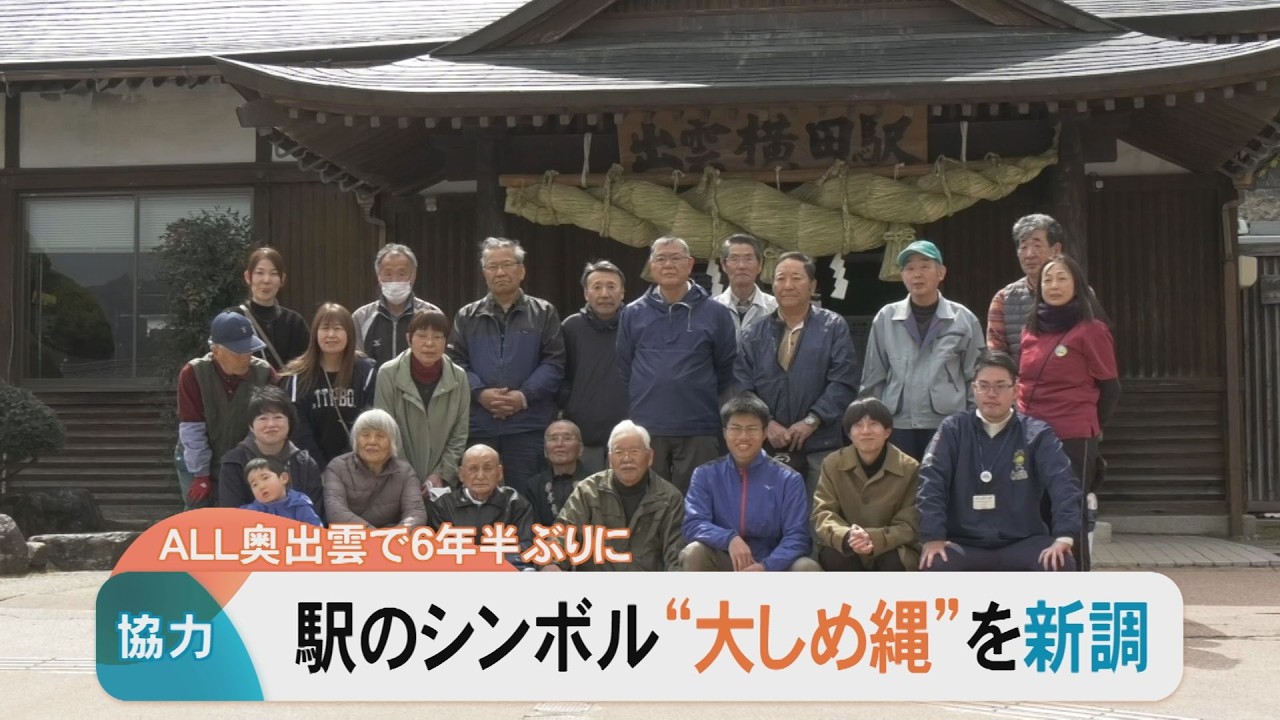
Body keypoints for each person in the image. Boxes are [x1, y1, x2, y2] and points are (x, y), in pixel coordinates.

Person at [917, 351, 1081, 572]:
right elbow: (931, 481)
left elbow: (1063, 482)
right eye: (983, 385)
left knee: (1060, 562)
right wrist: (932, 536)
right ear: (974, 388)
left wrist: (1064, 536)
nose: (991, 393)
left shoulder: (1036, 433)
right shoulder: (953, 430)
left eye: (1000, 386)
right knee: (934, 563)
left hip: (1023, 541)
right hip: (965, 542)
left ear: (1015, 390)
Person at [1018, 253, 1119, 571]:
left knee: (1067, 515)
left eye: (1062, 277)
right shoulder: (1030, 329)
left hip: (1072, 435)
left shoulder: (1092, 330)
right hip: (1029, 435)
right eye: (1047, 279)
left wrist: (1090, 424)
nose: (1054, 285)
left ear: (1077, 284)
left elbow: (1111, 388)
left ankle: (1076, 588)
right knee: (1033, 512)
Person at [617, 235, 737, 494]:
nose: (668, 264)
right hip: (648, 424)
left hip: (699, 424)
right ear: (651, 265)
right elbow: (625, 366)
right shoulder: (632, 313)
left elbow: (725, 367)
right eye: (660, 258)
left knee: (699, 499)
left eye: (675, 258)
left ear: (690, 264)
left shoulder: (715, 313)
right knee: (649, 498)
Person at [449, 237, 565, 500]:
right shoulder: (467, 316)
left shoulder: (543, 312)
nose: (500, 272)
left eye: (507, 265)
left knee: (525, 499)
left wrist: (521, 397)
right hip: (479, 425)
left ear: (521, 270)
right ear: (484, 273)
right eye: (492, 266)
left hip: (527, 426)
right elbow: (456, 364)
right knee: (477, 498)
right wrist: (480, 393)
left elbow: (554, 363)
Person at [736, 251, 858, 495]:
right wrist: (766, 423)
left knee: (820, 517)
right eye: (781, 278)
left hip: (820, 442)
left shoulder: (833, 326)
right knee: (768, 516)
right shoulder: (753, 333)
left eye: (796, 278)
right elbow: (742, 386)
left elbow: (843, 381)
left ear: (812, 285)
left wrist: (812, 421)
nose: (787, 285)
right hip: (767, 442)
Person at [860, 239, 983, 461]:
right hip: (898, 424)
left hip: (948, 422)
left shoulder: (963, 319)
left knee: (946, 487)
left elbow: (976, 376)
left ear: (941, 272)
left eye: (925, 266)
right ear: (903, 275)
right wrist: (870, 423)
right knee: (902, 489)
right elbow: (873, 378)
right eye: (910, 268)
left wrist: (973, 422)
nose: (917, 274)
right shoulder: (886, 318)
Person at [681, 395, 820, 572]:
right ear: (724, 433)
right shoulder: (705, 474)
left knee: (807, 567)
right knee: (694, 552)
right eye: (736, 429)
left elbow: (798, 537)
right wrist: (729, 539)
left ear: (764, 434)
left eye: (752, 429)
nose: (743, 437)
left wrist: (765, 566)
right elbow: (693, 523)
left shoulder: (788, 479)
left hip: (773, 564)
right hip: (726, 558)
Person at [547, 421, 686, 572]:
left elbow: (676, 554)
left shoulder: (669, 497)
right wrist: (553, 562)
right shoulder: (588, 491)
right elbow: (563, 532)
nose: (627, 458)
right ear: (610, 459)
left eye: (634, 451)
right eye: (619, 452)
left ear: (650, 457)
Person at [176, 311, 277, 509]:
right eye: (237, 352)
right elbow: (191, 427)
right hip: (195, 454)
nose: (245, 357)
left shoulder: (264, 374)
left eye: (250, 349)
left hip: (242, 457)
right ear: (216, 350)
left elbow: (267, 426)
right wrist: (201, 474)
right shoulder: (194, 373)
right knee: (197, 513)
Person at [811, 398, 919, 571]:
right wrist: (847, 536)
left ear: (887, 431)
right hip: (848, 545)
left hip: (892, 548)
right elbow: (823, 513)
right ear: (849, 433)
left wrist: (873, 538)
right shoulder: (832, 463)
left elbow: (910, 523)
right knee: (835, 556)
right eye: (858, 425)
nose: (865, 431)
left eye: (874, 424)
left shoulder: (909, 468)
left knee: (893, 561)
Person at [374, 310, 470, 492]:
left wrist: (441, 474)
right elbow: (385, 430)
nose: (429, 343)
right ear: (409, 338)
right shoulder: (388, 373)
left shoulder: (459, 377)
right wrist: (406, 475)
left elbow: (460, 433)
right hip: (395, 478)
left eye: (437, 337)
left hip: (442, 484)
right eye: (422, 335)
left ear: (446, 342)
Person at [281, 303, 376, 471]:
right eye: (325, 328)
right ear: (315, 333)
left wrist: (348, 466)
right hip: (312, 470)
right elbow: (299, 428)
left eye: (338, 328)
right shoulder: (297, 375)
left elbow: (369, 421)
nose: (331, 335)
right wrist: (321, 469)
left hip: (359, 467)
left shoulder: (366, 371)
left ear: (349, 333)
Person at [558, 260, 628, 475]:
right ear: (586, 293)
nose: (605, 294)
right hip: (582, 433)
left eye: (611, 286)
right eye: (597, 287)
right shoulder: (571, 327)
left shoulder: (635, 323)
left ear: (623, 292)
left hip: (626, 433)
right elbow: (561, 374)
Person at [217, 386, 325, 519]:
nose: (271, 424)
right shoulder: (234, 463)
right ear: (251, 426)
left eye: (278, 417)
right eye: (263, 418)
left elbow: (315, 512)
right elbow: (231, 515)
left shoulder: (305, 463)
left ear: (289, 422)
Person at [428, 444, 535, 570]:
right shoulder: (443, 505)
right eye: (473, 469)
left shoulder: (515, 502)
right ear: (461, 474)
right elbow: (438, 550)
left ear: (500, 473)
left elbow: (523, 546)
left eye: (488, 468)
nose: (480, 476)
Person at [322, 409, 427, 528]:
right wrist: (374, 535)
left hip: (392, 541)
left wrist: (395, 535)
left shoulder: (405, 472)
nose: (372, 441)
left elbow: (416, 513)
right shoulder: (337, 467)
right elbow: (336, 512)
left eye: (380, 436)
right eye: (365, 435)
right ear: (356, 440)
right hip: (351, 540)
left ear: (392, 442)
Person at [987, 214, 1065, 362]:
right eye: (1023, 246)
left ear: (1056, 250)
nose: (1029, 254)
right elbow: (997, 354)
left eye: (1037, 245)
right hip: (1022, 383)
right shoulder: (1003, 298)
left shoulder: (1079, 293)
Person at [352, 243, 442, 367]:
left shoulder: (431, 313)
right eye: (388, 274)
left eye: (401, 274)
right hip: (375, 386)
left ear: (413, 275)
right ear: (379, 277)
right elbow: (357, 363)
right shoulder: (361, 317)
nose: (394, 280)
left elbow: (440, 359)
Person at [228, 247, 310, 371]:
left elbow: (305, 367)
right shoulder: (233, 319)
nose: (266, 280)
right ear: (247, 277)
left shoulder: (294, 322)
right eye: (259, 273)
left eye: (274, 274)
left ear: (282, 279)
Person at [526, 420, 592, 526]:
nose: (559, 444)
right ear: (545, 451)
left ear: (580, 448)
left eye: (567, 438)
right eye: (553, 439)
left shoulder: (594, 483)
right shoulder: (534, 486)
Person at [712, 233, 777, 338]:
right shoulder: (711, 309)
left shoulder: (775, 308)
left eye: (748, 259)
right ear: (724, 265)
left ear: (760, 265)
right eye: (734, 259)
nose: (741, 266)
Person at [238, 457, 323, 527]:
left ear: (283, 478)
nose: (261, 486)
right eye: (255, 484)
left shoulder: (299, 505)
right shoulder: (250, 512)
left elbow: (316, 531)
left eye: (265, 478)